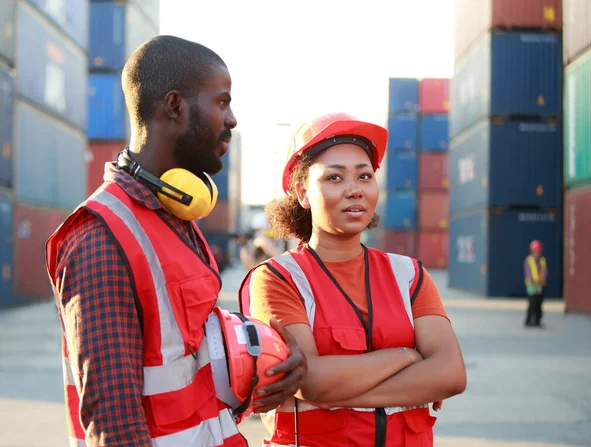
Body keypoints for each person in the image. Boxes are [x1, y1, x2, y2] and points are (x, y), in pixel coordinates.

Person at [45, 36, 306, 447]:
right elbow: (115, 428)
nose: (233, 119)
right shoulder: (102, 237)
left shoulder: (175, 217)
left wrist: (260, 370)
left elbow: (181, 371)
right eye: (222, 102)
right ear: (175, 105)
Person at [238, 112, 467, 446]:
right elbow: (312, 381)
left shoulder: (409, 276)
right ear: (302, 193)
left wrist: (340, 388)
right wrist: (409, 357)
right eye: (334, 178)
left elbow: (451, 373)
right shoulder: (277, 279)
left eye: (364, 176)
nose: (355, 190)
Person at [524, 239, 547, 328]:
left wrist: (542, 279)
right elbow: (528, 273)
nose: (537, 253)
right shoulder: (528, 260)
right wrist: (533, 281)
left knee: (539, 304)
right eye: (536, 251)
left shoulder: (542, 260)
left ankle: (537, 320)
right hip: (532, 286)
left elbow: (545, 271)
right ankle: (528, 320)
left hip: (541, 285)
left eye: (539, 251)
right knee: (532, 303)